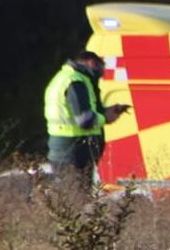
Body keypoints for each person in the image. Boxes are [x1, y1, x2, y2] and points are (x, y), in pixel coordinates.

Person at [44, 50, 128, 189]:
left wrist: (103, 112)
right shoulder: (76, 81)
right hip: (74, 151)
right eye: (101, 67)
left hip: (63, 150)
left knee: (67, 198)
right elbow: (85, 120)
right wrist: (105, 118)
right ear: (92, 63)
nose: (102, 72)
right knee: (77, 197)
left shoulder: (62, 77)